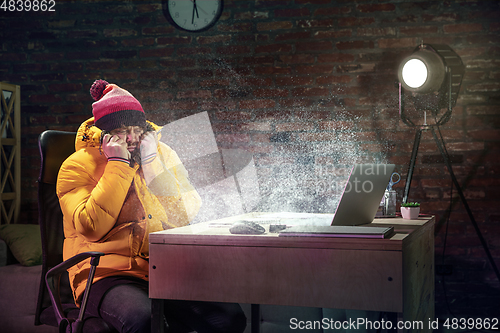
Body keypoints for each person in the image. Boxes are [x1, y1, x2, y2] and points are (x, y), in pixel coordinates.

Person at [56, 79, 247, 333]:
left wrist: (153, 164)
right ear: (105, 133)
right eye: (123, 131)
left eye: (137, 129)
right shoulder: (76, 165)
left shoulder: (162, 153)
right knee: (145, 320)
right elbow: (91, 228)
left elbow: (187, 214)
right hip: (104, 274)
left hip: (162, 268)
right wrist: (117, 164)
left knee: (230, 317)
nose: (133, 138)